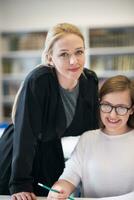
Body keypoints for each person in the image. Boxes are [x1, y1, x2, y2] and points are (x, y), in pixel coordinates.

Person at [8, 22, 99, 200]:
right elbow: (25, 136)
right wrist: (20, 184)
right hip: (19, 154)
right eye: (64, 54)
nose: (74, 61)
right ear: (50, 58)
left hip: (51, 150)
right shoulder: (39, 81)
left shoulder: (89, 80)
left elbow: (93, 132)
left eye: (79, 52)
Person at [47, 75, 134, 199]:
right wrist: (59, 189)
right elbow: (69, 176)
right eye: (106, 105)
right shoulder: (88, 139)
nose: (112, 114)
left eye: (121, 108)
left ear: (131, 110)